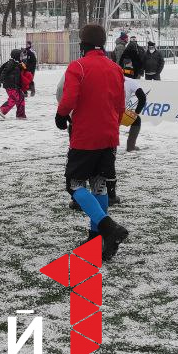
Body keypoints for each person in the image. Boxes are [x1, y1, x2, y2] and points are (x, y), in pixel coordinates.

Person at [55, 23, 128, 263]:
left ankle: (107, 227)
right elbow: (120, 106)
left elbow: (69, 97)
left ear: (83, 45)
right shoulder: (115, 68)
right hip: (108, 136)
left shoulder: (78, 67)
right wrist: (113, 127)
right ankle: (96, 238)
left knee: (74, 186)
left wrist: (61, 114)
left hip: (85, 135)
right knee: (99, 185)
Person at [0, 49, 27, 119]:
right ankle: (2, 110)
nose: (22, 57)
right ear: (16, 56)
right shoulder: (10, 63)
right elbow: (4, 72)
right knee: (14, 98)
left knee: (21, 98)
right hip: (10, 85)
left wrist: (22, 66)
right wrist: (1, 80)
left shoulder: (17, 64)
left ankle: (20, 115)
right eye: (20, 56)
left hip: (16, 86)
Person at [122, 64, 147, 152]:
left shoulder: (113, 77)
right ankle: (131, 146)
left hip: (104, 110)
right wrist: (136, 112)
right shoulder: (132, 82)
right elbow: (143, 98)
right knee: (137, 120)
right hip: (119, 112)